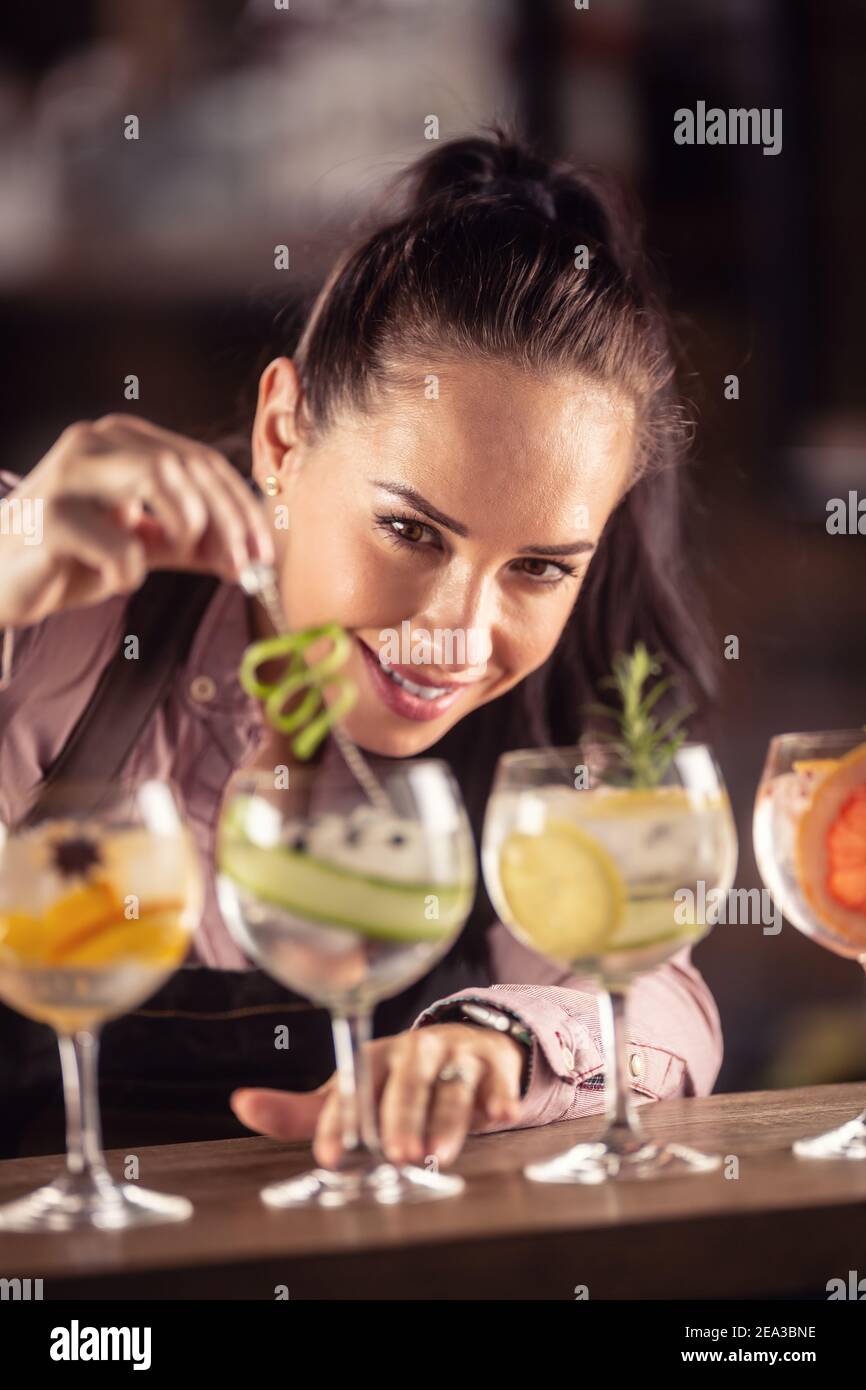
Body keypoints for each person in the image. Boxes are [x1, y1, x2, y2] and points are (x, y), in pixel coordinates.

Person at [0, 127, 722, 1165]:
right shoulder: (60, 600)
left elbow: (660, 999)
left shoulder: (565, 727)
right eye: (410, 531)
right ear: (282, 436)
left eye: (538, 567)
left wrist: (501, 1046)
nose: (456, 632)